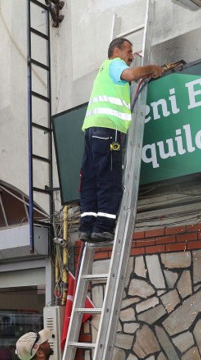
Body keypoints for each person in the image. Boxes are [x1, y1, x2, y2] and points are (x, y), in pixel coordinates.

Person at [79, 37, 165, 243]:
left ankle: (87, 227)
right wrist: (152, 68)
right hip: (108, 129)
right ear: (116, 51)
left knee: (91, 179)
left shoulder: (103, 69)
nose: (131, 57)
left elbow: (128, 77)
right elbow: (131, 74)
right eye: (129, 51)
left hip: (91, 129)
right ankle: (103, 227)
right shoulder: (115, 63)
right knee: (108, 178)